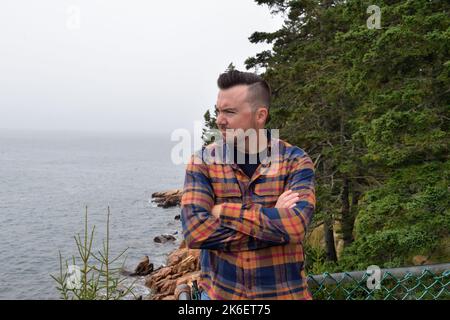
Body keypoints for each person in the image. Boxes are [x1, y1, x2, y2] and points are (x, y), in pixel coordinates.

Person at [181, 70, 316, 300]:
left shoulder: (295, 160)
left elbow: (295, 226)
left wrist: (222, 211)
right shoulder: (202, 161)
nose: (220, 120)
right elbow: (195, 232)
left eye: (229, 112)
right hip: (221, 295)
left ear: (260, 115)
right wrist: (273, 221)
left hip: (283, 295)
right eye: (218, 111)